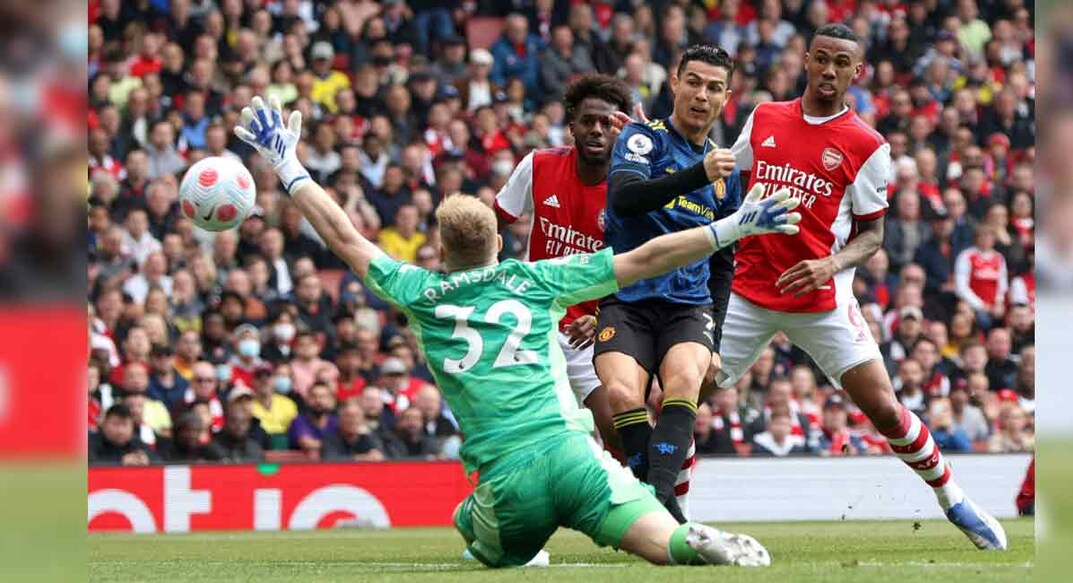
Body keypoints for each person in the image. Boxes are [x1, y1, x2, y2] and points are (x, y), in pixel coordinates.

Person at [235, 95, 801, 566]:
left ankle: (499, 533)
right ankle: (688, 540)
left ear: (441, 251)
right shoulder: (535, 281)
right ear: (498, 245)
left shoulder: (418, 292)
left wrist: (288, 167)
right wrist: (731, 227)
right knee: (661, 543)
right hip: (575, 456)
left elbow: (345, 239)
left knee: (474, 532)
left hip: (508, 479)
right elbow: (647, 256)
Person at [717, 23, 1007, 550]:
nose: (828, 70)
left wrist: (828, 265)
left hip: (821, 301)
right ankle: (672, 517)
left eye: (840, 62)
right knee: (681, 397)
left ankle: (955, 501)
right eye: (821, 58)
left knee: (886, 409)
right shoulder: (764, 117)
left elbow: (873, 236)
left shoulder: (867, 144)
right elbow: (722, 170)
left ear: (857, 72)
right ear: (807, 60)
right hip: (748, 292)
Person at [597, 44, 747, 522]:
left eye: (714, 87)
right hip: (627, 297)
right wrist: (696, 174)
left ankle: (658, 511)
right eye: (694, 82)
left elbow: (724, 261)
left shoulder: (726, 175)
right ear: (675, 83)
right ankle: (668, 513)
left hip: (688, 303)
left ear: (726, 98)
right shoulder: (643, 138)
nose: (702, 95)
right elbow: (624, 199)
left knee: (684, 383)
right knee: (622, 396)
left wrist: (715, 337)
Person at [493, 74, 633, 459]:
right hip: (534, 323)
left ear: (621, 130)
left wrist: (603, 317)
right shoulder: (538, 165)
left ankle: (636, 496)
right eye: (588, 121)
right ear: (571, 126)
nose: (596, 130)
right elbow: (491, 224)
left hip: (593, 331)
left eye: (607, 122)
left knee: (621, 431)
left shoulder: (632, 190)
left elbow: (643, 269)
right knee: (518, 434)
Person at [88, 404, 155, 466]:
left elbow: (157, 460)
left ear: (132, 426)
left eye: (124, 424)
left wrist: (148, 461)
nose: (120, 431)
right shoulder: (90, 442)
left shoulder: (136, 443)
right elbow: (91, 464)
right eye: (115, 424)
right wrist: (120, 463)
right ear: (104, 424)